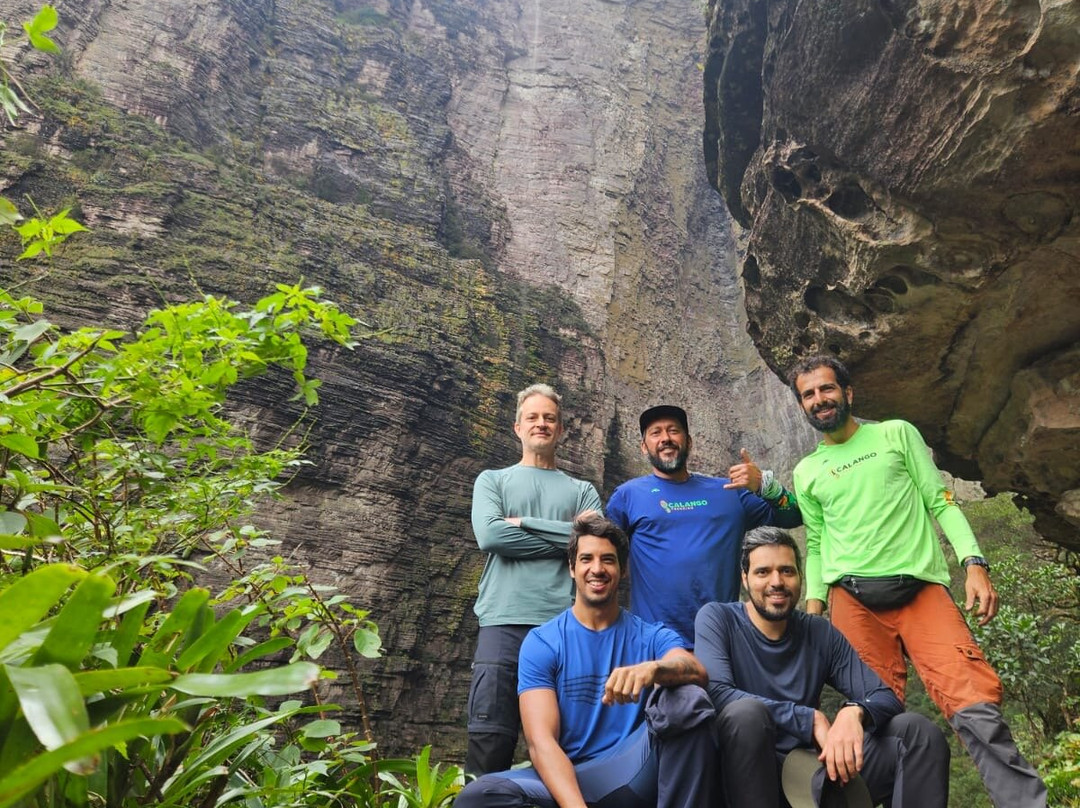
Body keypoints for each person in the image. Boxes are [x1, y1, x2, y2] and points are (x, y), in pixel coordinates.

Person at [789, 354, 1047, 807]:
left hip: (920, 590)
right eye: (808, 394)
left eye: (826, 388)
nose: (819, 399)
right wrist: (813, 610)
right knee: (871, 716)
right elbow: (817, 542)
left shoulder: (895, 434)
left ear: (848, 393)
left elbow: (940, 500)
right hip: (852, 600)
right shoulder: (807, 471)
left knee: (974, 704)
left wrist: (973, 562)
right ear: (802, 406)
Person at [457, 513, 717, 808]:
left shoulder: (652, 636)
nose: (597, 569)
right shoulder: (543, 642)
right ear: (572, 567)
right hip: (567, 777)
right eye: (586, 559)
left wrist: (654, 669)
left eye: (608, 560)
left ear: (623, 569)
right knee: (479, 796)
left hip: (630, 774)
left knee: (687, 697)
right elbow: (541, 743)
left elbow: (696, 670)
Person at [695, 526, 950, 808]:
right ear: (745, 579)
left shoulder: (818, 632)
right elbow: (717, 692)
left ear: (800, 577)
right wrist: (808, 719)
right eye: (763, 572)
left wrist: (855, 712)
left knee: (916, 733)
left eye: (787, 571)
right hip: (749, 778)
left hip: (812, 771)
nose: (777, 582)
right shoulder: (719, 619)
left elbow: (883, 695)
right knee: (746, 714)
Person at [466, 383, 604, 776]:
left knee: (565, 740)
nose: (541, 423)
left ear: (561, 430)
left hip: (564, 626)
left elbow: (592, 544)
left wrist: (523, 523)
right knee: (489, 736)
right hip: (502, 622)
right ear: (518, 427)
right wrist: (567, 537)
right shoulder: (491, 481)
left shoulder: (582, 490)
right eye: (533, 417)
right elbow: (491, 536)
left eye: (549, 418)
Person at [606, 404, 801, 644]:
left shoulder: (730, 492)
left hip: (721, 638)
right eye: (656, 433)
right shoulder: (627, 496)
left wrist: (765, 486)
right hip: (652, 641)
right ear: (644, 447)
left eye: (673, 430)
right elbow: (604, 555)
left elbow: (793, 516)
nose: (666, 438)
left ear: (689, 442)